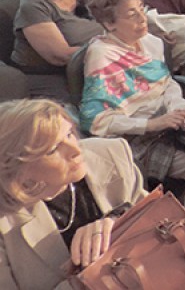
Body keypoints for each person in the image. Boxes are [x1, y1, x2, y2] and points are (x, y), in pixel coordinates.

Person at [0, 98, 147, 290]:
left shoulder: (110, 154)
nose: (76, 150)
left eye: (69, 134)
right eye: (53, 149)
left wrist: (119, 221)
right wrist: (89, 278)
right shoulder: (5, 222)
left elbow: (160, 222)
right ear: (18, 169)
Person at [81, 0, 185, 184]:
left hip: (169, 119)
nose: (143, 18)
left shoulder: (151, 42)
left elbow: (166, 83)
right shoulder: (102, 56)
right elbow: (97, 121)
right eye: (132, 14)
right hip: (136, 136)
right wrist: (152, 124)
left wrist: (177, 105)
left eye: (142, 10)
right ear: (109, 24)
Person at [12, 0, 104, 99]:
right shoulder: (33, 5)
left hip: (94, 66)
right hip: (51, 77)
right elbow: (60, 56)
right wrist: (113, 46)